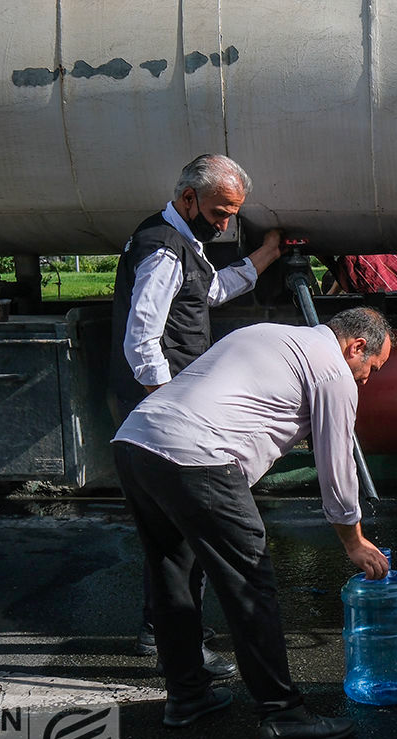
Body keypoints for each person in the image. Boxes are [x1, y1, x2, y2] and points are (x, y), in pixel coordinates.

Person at [112, 307, 394, 739]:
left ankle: (187, 696)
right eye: (371, 369)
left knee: (173, 573)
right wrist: (352, 540)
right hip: (199, 455)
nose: (367, 380)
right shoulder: (332, 370)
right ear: (356, 347)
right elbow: (337, 464)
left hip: (136, 440)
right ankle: (282, 715)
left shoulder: (270, 332)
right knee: (250, 584)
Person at [108, 154, 283, 673]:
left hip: (165, 408)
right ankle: (172, 642)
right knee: (183, 535)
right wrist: (169, 405)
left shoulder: (177, 239)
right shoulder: (163, 249)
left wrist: (266, 255)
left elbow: (207, 293)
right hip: (165, 411)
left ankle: (165, 633)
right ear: (188, 199)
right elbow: (142, 338)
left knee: (174, 535)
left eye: (232, 213)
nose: (226, 223)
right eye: (220, 212)